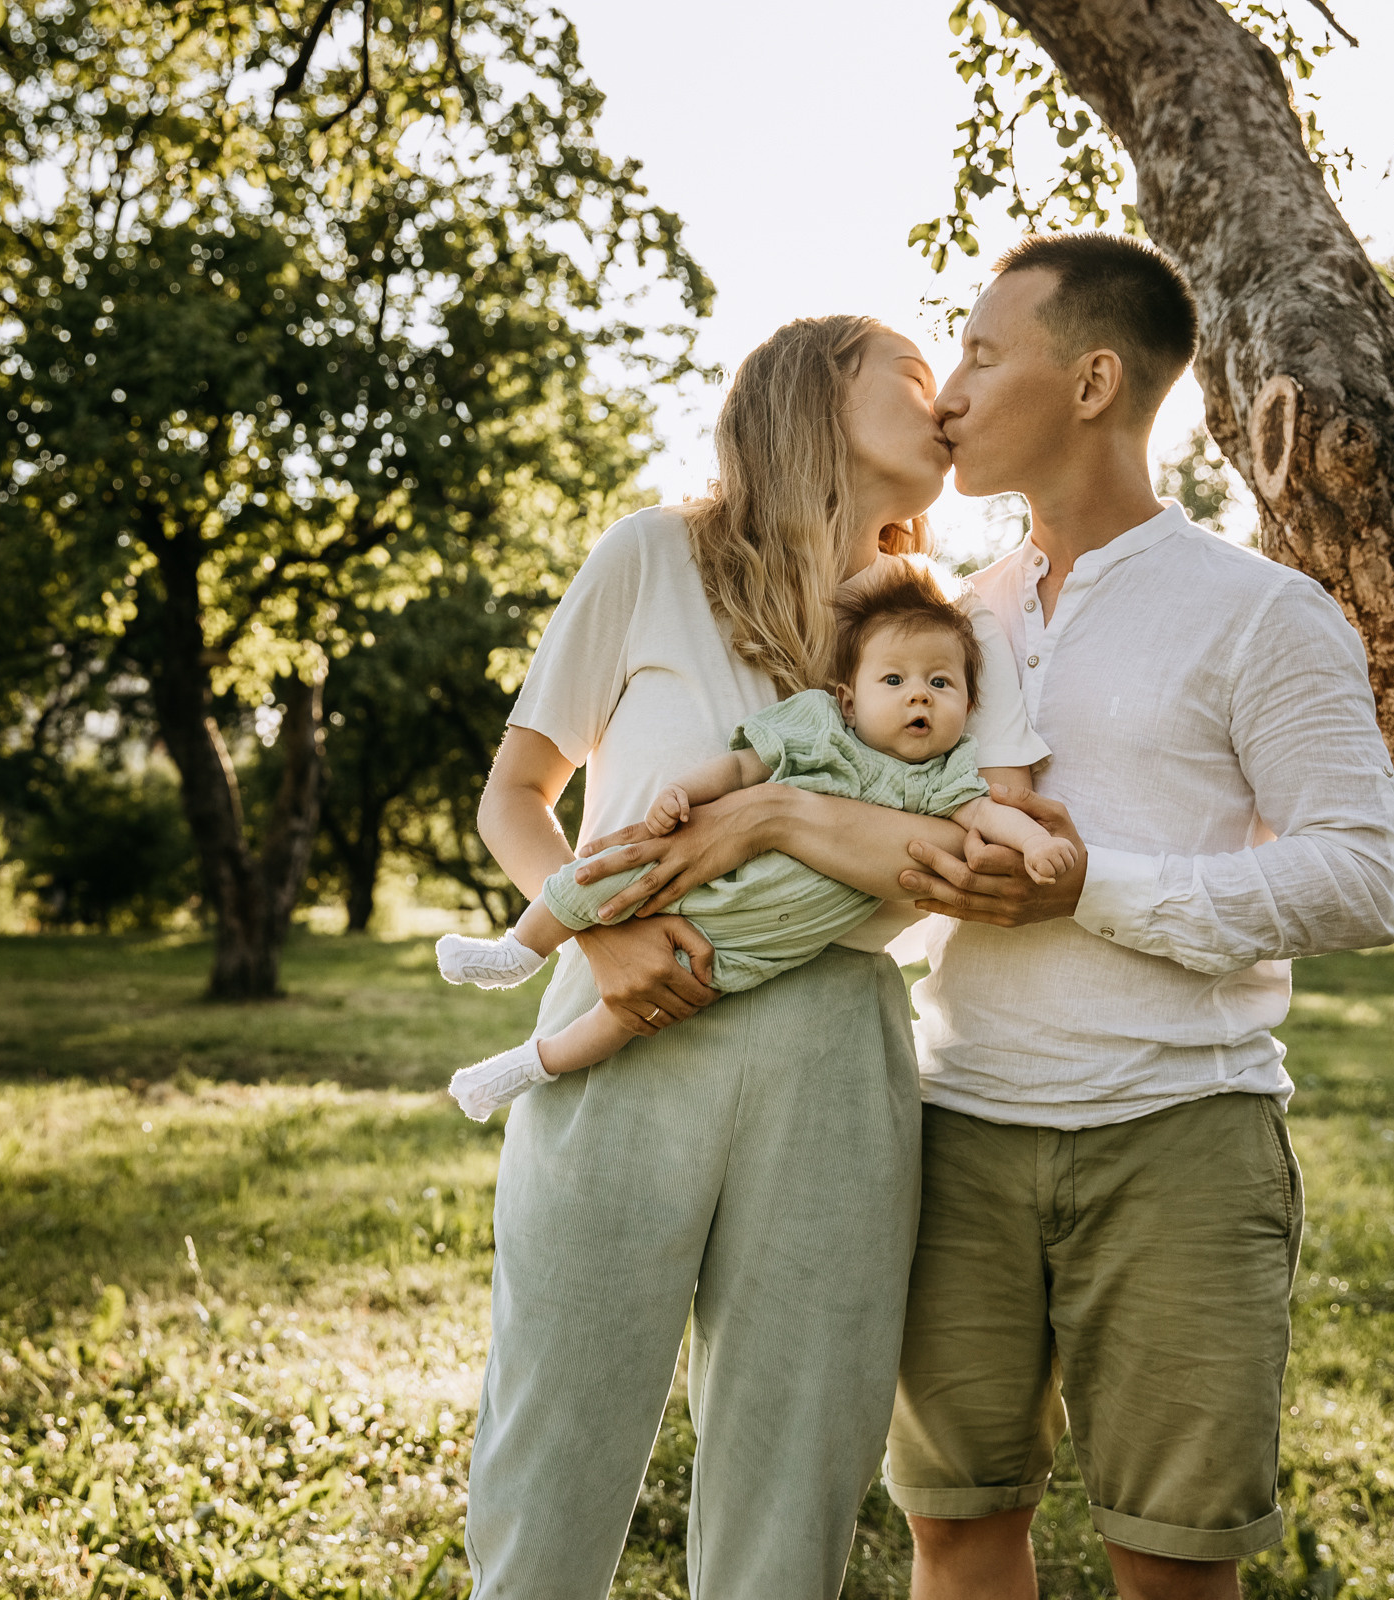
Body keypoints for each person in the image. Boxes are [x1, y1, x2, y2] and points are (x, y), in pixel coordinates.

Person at [574, 235, 1394, 1600]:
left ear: (1090, 381)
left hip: (1181, 1135)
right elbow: (871, 836)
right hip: (955, 1133)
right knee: (957, 1537)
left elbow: (1363, 878)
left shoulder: (1261, 614)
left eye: (976, 353)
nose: (948, 392)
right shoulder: (947, 621)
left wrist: (1095, 885)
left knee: (1173, 1561)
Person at [461, 313, 1047, 1600]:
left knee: (797, 1461)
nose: (942, 397)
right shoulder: (651, 555)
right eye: (908, 372)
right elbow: (517, 796)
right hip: (627, 1025)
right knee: (554, 1435)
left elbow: (949, 864)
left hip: (837, 1050)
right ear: (812, 393)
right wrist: (604, 936)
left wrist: (800, 820)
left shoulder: (938, 630)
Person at [435, 558, 1072, 1120]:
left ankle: (530, 1066)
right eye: (895, 682)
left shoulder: (946, 775)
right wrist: (683, 793)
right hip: (699, 886)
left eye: (941, 685)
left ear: (966, 704)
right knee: (596, 879)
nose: (919, 698)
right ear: (847, 701)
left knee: (631, 1017)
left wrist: (1037, 845)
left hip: (759, 944)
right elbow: (743, 767)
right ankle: (518, 951)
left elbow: (989, 818)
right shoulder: (820, 728)